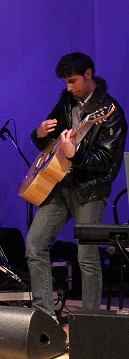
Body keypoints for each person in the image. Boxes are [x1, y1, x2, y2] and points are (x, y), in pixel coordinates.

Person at [25, 52, 126, 320]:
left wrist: (76, 155)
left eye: (72, 81)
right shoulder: (67, 102)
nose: (69, 87)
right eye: (66, 82)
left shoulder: (111, 112)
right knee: (34, 244)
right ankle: (44, 314)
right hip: (60, 185)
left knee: (87, 256)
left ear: (88, 74)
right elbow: (50, 143)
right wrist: (39, 134)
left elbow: (106, 162)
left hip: (90, 189)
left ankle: (90, 321)